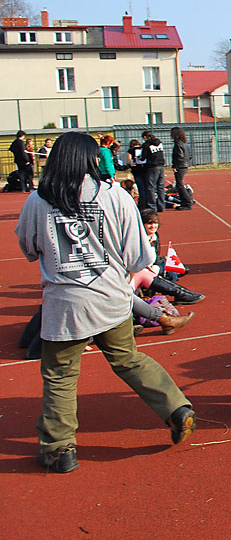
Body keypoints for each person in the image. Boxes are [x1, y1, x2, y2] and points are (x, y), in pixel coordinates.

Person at [14, 131, 196, 473]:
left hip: (66, 304)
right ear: (90, 160)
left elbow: (28, 247)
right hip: (110, 297)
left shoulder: (38, 200)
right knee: (128, 359)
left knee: (60, 376)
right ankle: (176, 408)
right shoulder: (114, 196)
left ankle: (59, 448)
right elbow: (137, 256)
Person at [141, 130, 167, 211]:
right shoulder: (159, 143)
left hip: (152, 166)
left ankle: (152, 206)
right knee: (160, 186)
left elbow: (144, 156)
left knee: (151, 187)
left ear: (145, 137)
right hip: (161, 165)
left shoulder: (146, 144)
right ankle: (162, 206)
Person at [170, 127, 193, 210]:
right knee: (179, 184)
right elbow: (189, 155)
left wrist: (175, 166)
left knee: (179, 185)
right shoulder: (185, 144)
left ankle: (188, 202)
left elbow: (179, 156)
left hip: (180, 166)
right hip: (184, 165)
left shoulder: (178, 144)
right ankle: (185, 201)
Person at [127, 138, 147, 207]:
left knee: (140, 187)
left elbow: (128, 161)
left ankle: (142, 203)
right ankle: (147, 201)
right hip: (145, 169)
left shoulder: (131, 150)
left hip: (136, 170)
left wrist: (131, 164)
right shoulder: (143, 148)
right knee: (146, 186)